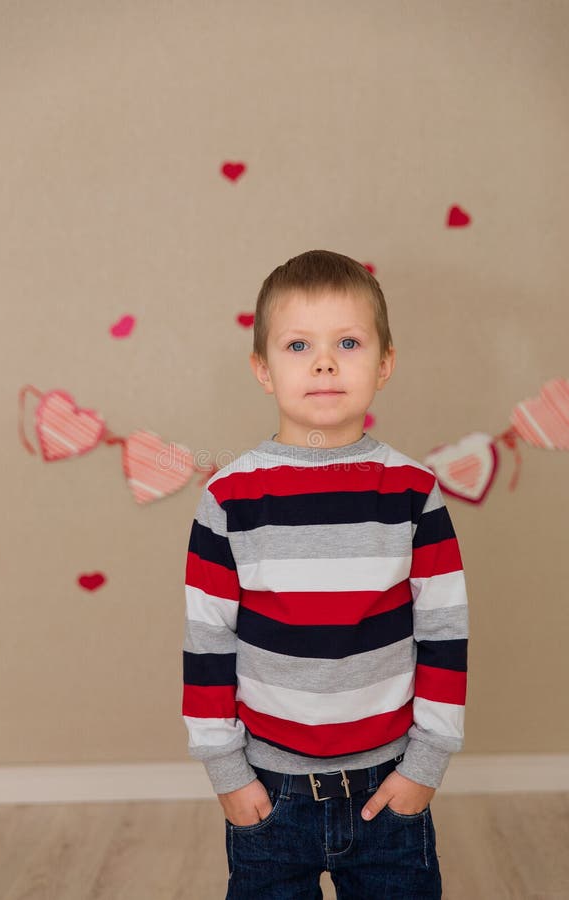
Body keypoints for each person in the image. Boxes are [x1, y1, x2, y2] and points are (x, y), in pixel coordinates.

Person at [181, 249, 469, 899]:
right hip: (267, 791)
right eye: (297, 344)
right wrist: (227, 773)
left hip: (388, 786)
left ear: (385, 363)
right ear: (263, 369)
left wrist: (425, 765)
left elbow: (446, 636)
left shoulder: (413, 494)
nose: (324, 362)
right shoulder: (229, 499)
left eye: (348, 341)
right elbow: (207, 644)